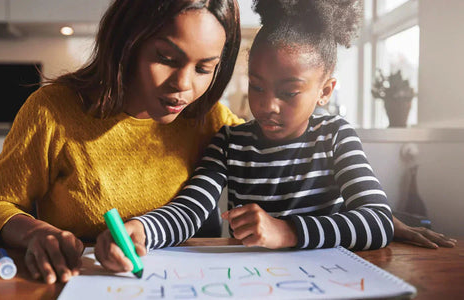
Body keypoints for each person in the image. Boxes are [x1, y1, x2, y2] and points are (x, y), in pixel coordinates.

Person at [96, 0, 460, 274]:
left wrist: (286, 232)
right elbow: (190, 210)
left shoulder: (334, 136)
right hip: (253, 281)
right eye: (256, 86)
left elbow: (377, 221)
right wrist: (144, 229)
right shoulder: (230, 142)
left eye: (288, 93)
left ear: (325, 91)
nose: (267, 105)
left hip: (330, 279)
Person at [0, 0, 243, 284]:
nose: (184, 85)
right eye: (167, 59)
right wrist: (35, 233)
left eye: (204, 69)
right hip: (83, 280)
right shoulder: (52, 110)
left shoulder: (210, 119)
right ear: (128, 42)